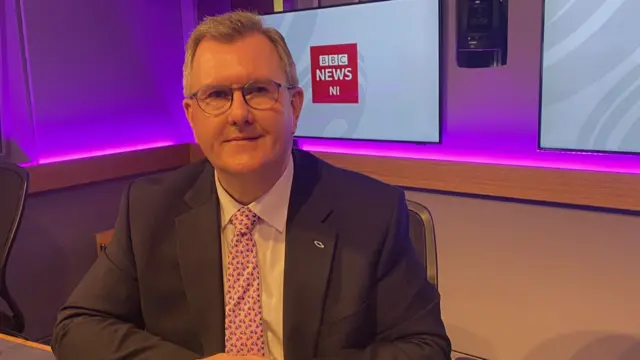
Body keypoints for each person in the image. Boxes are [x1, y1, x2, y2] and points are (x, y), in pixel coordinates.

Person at [51, 10, 451, 360]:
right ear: (192, 115)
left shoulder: (371, 212)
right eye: (217, 95)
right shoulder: (149, 209)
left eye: (258, 90)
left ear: (294, 106)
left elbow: (424, 346)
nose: (238, 114)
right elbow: (78, 326)